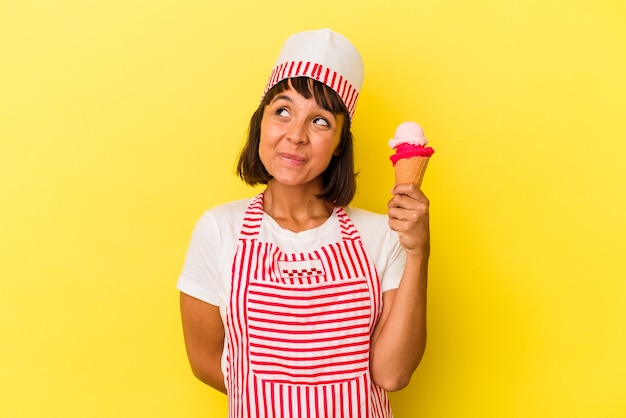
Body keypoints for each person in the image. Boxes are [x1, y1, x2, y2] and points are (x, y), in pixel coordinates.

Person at [177, 28, 429, 417]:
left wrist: (418, 253)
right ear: (261, 122)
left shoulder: (384, 235)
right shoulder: (218, 229)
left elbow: (392, 375)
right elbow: (206, 360)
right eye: (282, 111)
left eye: (320, 122)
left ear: (340, 142)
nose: (295, 136)